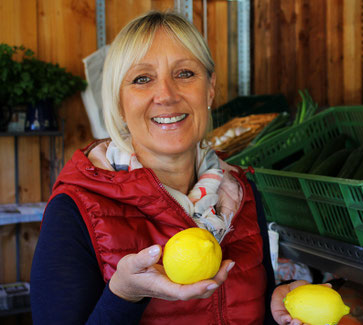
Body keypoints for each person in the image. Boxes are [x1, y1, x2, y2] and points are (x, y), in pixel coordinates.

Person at [30, 10, 323, 325]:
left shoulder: (238, 192)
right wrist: (124, 295)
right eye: (142, 78)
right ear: (118, 103)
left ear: (209, 89)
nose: (166, 95)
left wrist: (276, 309)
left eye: (184, 73)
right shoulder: (75, 209)